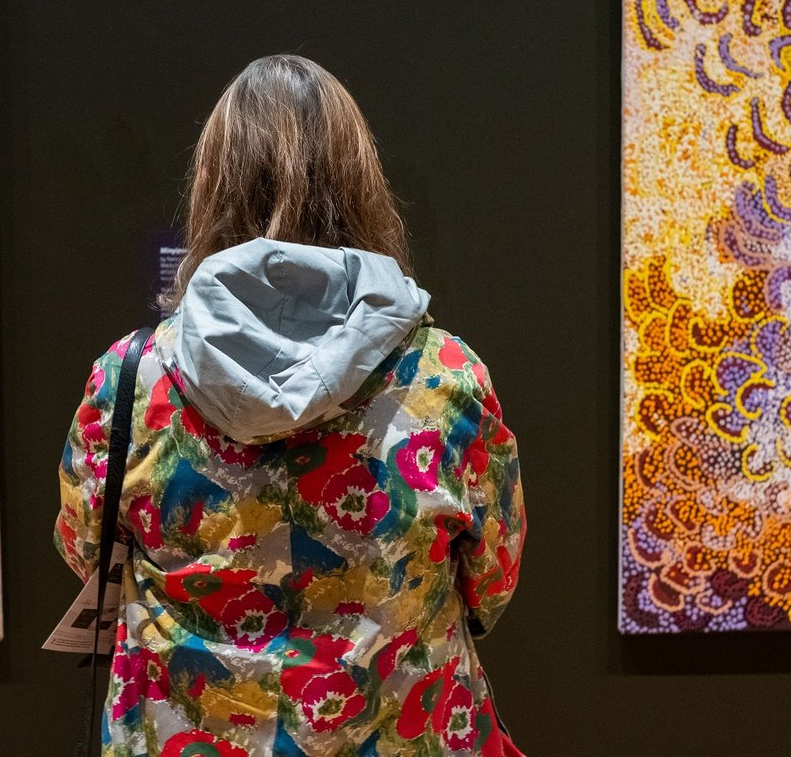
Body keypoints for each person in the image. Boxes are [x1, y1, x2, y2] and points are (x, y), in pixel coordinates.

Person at [55, 55, 526, 757]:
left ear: (211, 188)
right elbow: (491, 580)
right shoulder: (446, 378)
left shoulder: (128, 381)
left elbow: (86, 551)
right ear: (362, 183)